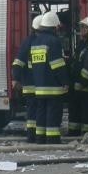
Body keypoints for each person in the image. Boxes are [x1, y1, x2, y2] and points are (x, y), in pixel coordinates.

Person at [30, 11, 69, 144]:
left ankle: (40, 138)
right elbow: (57, 64)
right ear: (54, 26)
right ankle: (52, 138)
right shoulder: (54, 41)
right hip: (53, 87)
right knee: (53, 113)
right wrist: (65, 81)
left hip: (39, 86)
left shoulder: (35, 42)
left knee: (41, 113)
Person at [12, 14, 42, 143]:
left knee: (32, 112)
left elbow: (18, 62)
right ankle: (35, 136)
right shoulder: (38, 42)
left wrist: (16, 78)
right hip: (37, 85)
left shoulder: (28, 41)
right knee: (37, 111)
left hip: (31, 85)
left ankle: (32, 136)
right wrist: (16, 79)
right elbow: (19, 63)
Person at [69, 17, 88, 140]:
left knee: (87, 110)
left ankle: (87, 133)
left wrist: (83, 82)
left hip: (87, 85)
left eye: (84, 27)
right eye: (81, 27)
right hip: (77, 84)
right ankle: (74, 131)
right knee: (74, 108)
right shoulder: (82, 44)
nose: (82, 30)